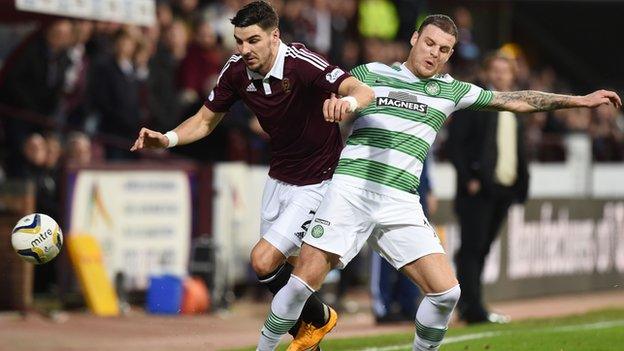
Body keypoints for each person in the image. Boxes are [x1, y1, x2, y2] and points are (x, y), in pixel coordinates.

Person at [255, 14, 621, 351]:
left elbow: (517, 101)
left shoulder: (451, 92)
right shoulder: (370, 73)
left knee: (446, 293)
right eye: (430, 43)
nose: (435, 53)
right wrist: (334, 105)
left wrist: (580, 101)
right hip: (350, 190)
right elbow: (329, 93)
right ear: (415, 38)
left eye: (444, 49)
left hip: (400, 201)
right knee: (302, 283)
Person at [130, 1, 374, 349]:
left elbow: (361, 89)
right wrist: (167, 139)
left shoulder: (302, 64)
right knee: (283, 283)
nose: (244, 50)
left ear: (275, 36)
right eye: (238, 41)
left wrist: (346, 104)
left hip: (318, 181)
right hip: (278, 180)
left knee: (262, 260)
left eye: (253, 41)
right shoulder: (235, 72)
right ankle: (314, 331)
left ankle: (322, 317)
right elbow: (204, 120)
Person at [447, 52, 526, 324]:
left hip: (503, 189)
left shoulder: (516, 103)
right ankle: (472, 308)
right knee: (472, 248)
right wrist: (469, 178)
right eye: (496, 69)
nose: (500, 75)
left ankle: (472, 303)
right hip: (478, 190)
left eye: (506, 71)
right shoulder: (475, 101)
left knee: (482, 249)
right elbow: (455, 144)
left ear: (512, 75)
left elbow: (517, 148)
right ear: (488, 71)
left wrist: (521, 183)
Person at [370, 156, 435, 324]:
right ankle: (382, 305)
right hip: (389, 187)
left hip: (417, 188)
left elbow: (425, 153)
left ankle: (408, 303)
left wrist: (429, 188)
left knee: (415, 250)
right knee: (382, 247)